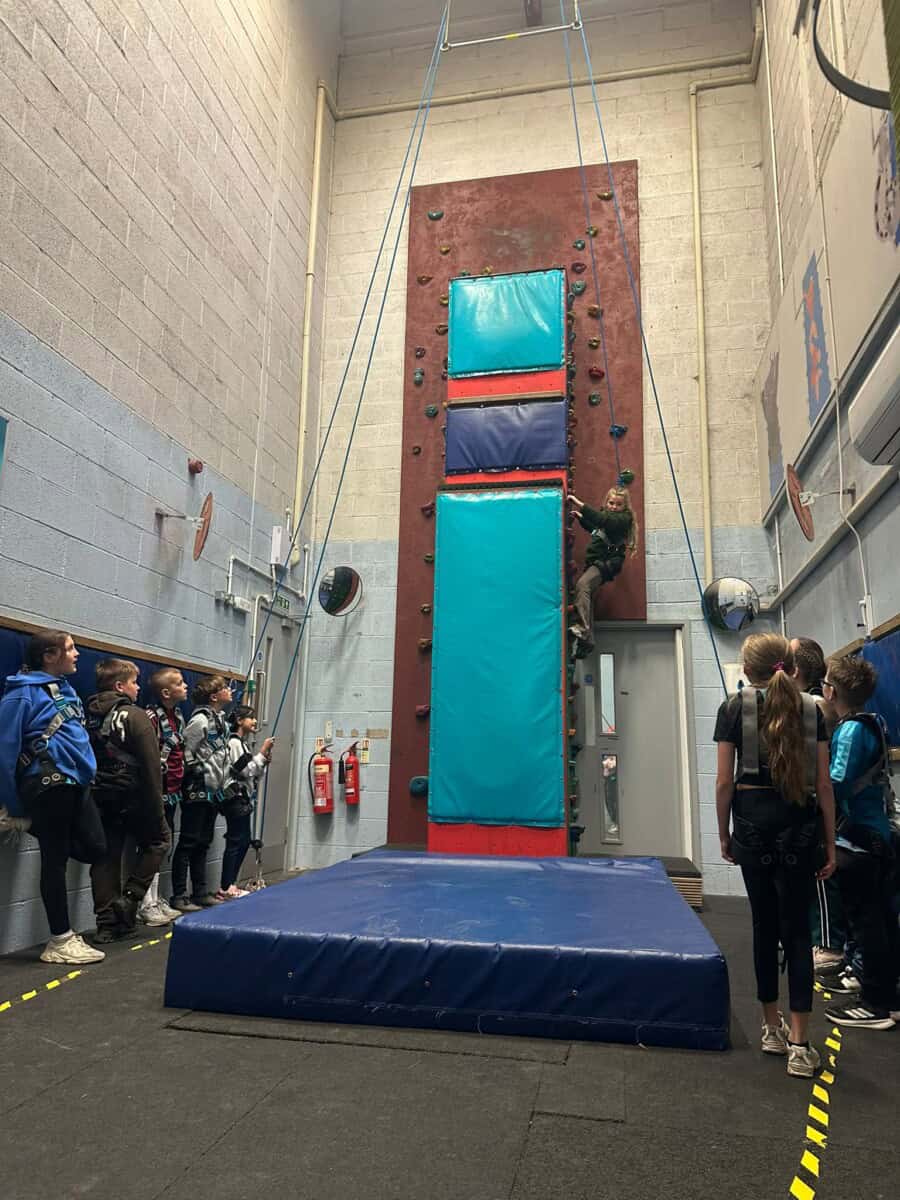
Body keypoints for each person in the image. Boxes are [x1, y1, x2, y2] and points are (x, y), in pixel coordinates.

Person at [714, 633, 836, 1078]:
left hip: (751, 825)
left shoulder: (733, 708)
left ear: (748, 671)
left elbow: (723, 782)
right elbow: (823, 784)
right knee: (798, 932)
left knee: (763, 926)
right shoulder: (813, 709)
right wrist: (828, 842)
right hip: (799, 827)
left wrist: (724, 834)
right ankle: (801, 1045)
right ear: (791, 667)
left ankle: (771, 1028)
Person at [0, 630, 106, 964]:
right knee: (54, 859)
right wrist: (12, 802)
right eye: (70, 649)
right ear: (49, 656)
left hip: (77, 781)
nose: (77, 654)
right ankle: (60, 939)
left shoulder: (65, 689)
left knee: (96, 847)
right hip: (48, 780)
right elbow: (5, 750)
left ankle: (30, 824)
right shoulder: (21, 694)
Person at [821, 655, 899, 1030]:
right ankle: (881, 990)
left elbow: (837, 781)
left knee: (867, 921)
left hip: (859, 839)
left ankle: (876, 1003)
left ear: (831, 691)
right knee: (877, 918)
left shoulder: (852, 730)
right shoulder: (873, 722)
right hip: (874, 834)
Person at [87, 659, 171, 943]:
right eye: (134, 682)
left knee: (106, 857)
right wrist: (157, 806)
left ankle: (107, 925)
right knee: (159, 841)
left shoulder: (87, 715)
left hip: (101, 795)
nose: (138, 688)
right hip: (134, 794)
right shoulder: (135, 716)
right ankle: (130, 899)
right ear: (119, 686)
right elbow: (151, 765)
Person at [790, 635, 844, 972]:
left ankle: (828, 945)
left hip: (819, 801)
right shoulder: (804, 703)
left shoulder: (815, 706)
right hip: (804, 799)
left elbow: (820, 768)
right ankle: (813, 938)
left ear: (795, 669)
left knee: (821, 873)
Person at [170, 675, 232, 911]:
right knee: (188, 841)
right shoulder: (200, 720)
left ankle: (200, 891)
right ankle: (179, 895)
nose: (230, 690)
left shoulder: (221, 720)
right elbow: (186, 750)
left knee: (204, 842)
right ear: (214, 697)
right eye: (225, 688)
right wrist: (197, 772)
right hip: (197, 788)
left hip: (213, 789)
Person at [139, 667, 189, 926]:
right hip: (154, 791)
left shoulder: (177, 716)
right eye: (180, 683)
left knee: (163, 846)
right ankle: (145, 903)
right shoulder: (151, 717)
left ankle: (155, 898)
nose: (185, 686)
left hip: (172, 791)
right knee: (151, 845)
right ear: (166, 692)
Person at [568, 486, 637, 658]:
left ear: (625, 507)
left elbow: (603, 521)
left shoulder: (622, 519)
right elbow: (596, 531)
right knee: (587, 597)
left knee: (582, 585)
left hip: (606, 563)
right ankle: (587, 641)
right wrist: (581, 518)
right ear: (606, 502)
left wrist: (578, 503)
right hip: (597, 562)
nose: (614, 507)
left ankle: (582, 629)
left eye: (618, 505)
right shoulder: (607, 519)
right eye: (611, 503)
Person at [216, 707, 274, 900]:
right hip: (235, 799)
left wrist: (263, 760)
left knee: (242, 840)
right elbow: (244, 771)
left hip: (243, 797)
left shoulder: (243, 744)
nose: (255, 721)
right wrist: (262, 752)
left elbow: (253, 772)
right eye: (251, 718)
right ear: (240, 720)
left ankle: (230, 883)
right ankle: (226, 886)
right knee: (236, 841)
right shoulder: (234, 743)